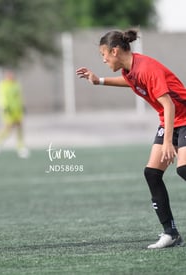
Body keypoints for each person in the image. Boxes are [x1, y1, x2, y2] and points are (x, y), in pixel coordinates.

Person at [76, 29, 186, 249]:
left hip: (182, 117)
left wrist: (167, 143)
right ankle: (170, 233)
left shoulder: (146, 68)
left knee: (183, 170)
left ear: (115, 51)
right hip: (170, 121)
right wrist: (99, 81)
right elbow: (132, 83)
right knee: (152, 174)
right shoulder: (130, 69)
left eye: (103, 54)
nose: (103, 59)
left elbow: (169, 104)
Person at [0, 70, 29, 158]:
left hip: (17, 111)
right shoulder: (2, 85)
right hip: (8, 111)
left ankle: (21, 147)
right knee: (8, 129)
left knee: (20, 129)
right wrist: (4, 107)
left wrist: (22, 106)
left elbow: (19, 96)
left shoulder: (16, 84)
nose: (11, 76)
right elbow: (1, 97)